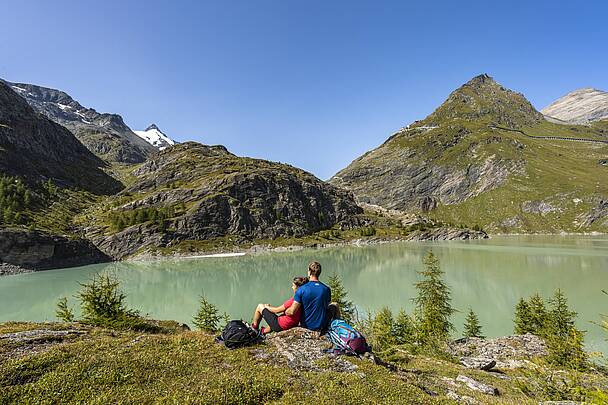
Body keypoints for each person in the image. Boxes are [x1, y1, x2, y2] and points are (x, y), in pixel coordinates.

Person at [285, 261, 338, 331]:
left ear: (309, 272)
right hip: (323, 325)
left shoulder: (301, 289)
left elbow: (292, 311)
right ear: (319, 273)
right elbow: (326, 306)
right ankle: (337, 327)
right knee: (335, 305)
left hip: (307, 326)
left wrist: (286, 311)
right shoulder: (326, 289)